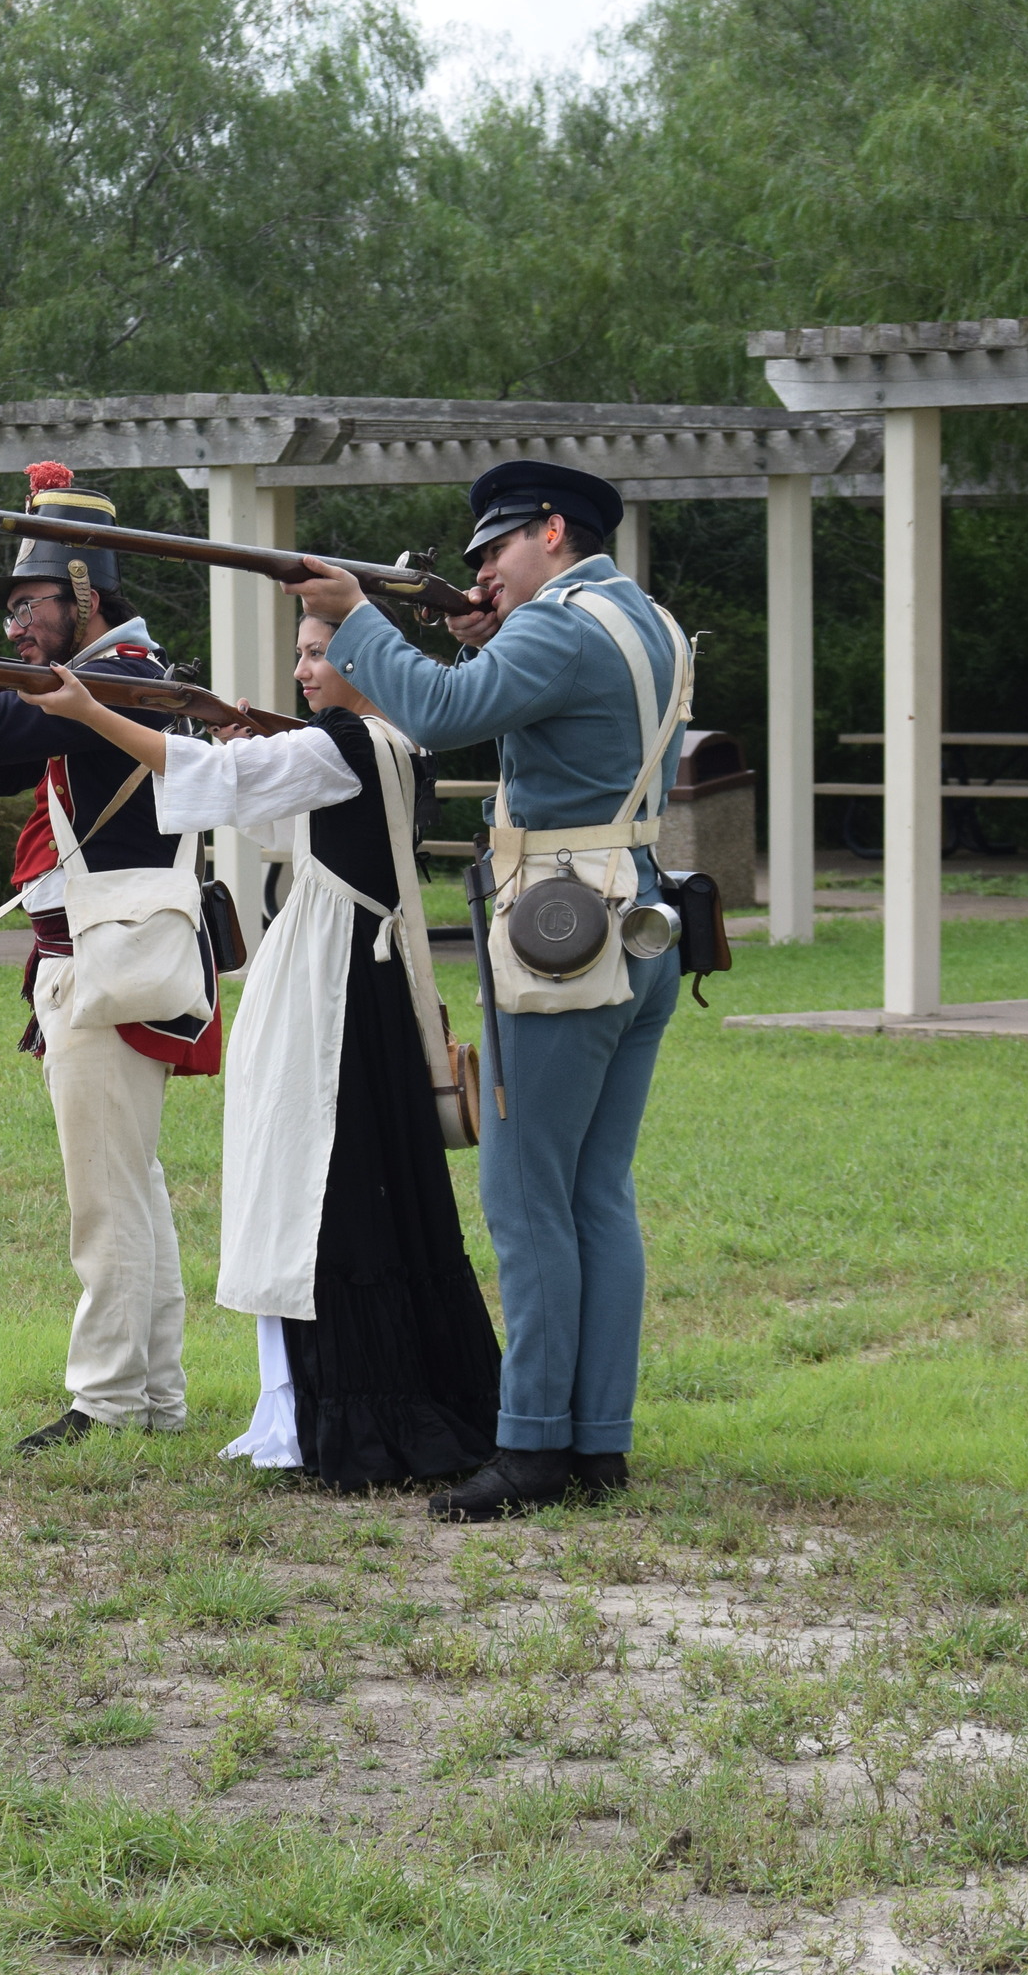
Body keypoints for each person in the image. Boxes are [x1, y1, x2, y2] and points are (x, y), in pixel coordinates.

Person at [287, 461, 686, 1520]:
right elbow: (526, 704)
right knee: (596, 1193)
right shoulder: (643, 617)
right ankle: (596, 1440)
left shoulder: (557, 626)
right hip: (637, 918)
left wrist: (354, 616)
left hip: (563, 929)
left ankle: (531, 1445)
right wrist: (478, 635)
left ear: (551, 530)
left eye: (495, 552)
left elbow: (442, 711)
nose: (484, 574)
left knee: (523, 1197)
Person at [19, 618, 499, 1488]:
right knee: (332, 1187)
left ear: (367, 661)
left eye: (321, 652)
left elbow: (216, 779)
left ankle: (350, 1411)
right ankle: (333, 1401)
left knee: (324, 1188)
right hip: (348, 973)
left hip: (336, 980)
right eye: (304, 650)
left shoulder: (350, 740)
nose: (303, 667)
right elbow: (283, 823)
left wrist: (93, 712)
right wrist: (246, 743)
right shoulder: (386, 741)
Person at [0, 463, 222, 1454]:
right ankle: (154, 1395)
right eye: (14, 609)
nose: (21, 624)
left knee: (107, 1203)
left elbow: (4, 729)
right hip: (93, 962)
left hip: (108, 969)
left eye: (30, 606)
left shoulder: (122, 679)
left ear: (82, 598)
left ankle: (107, 1400)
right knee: (133, 1192)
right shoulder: (112, 677)